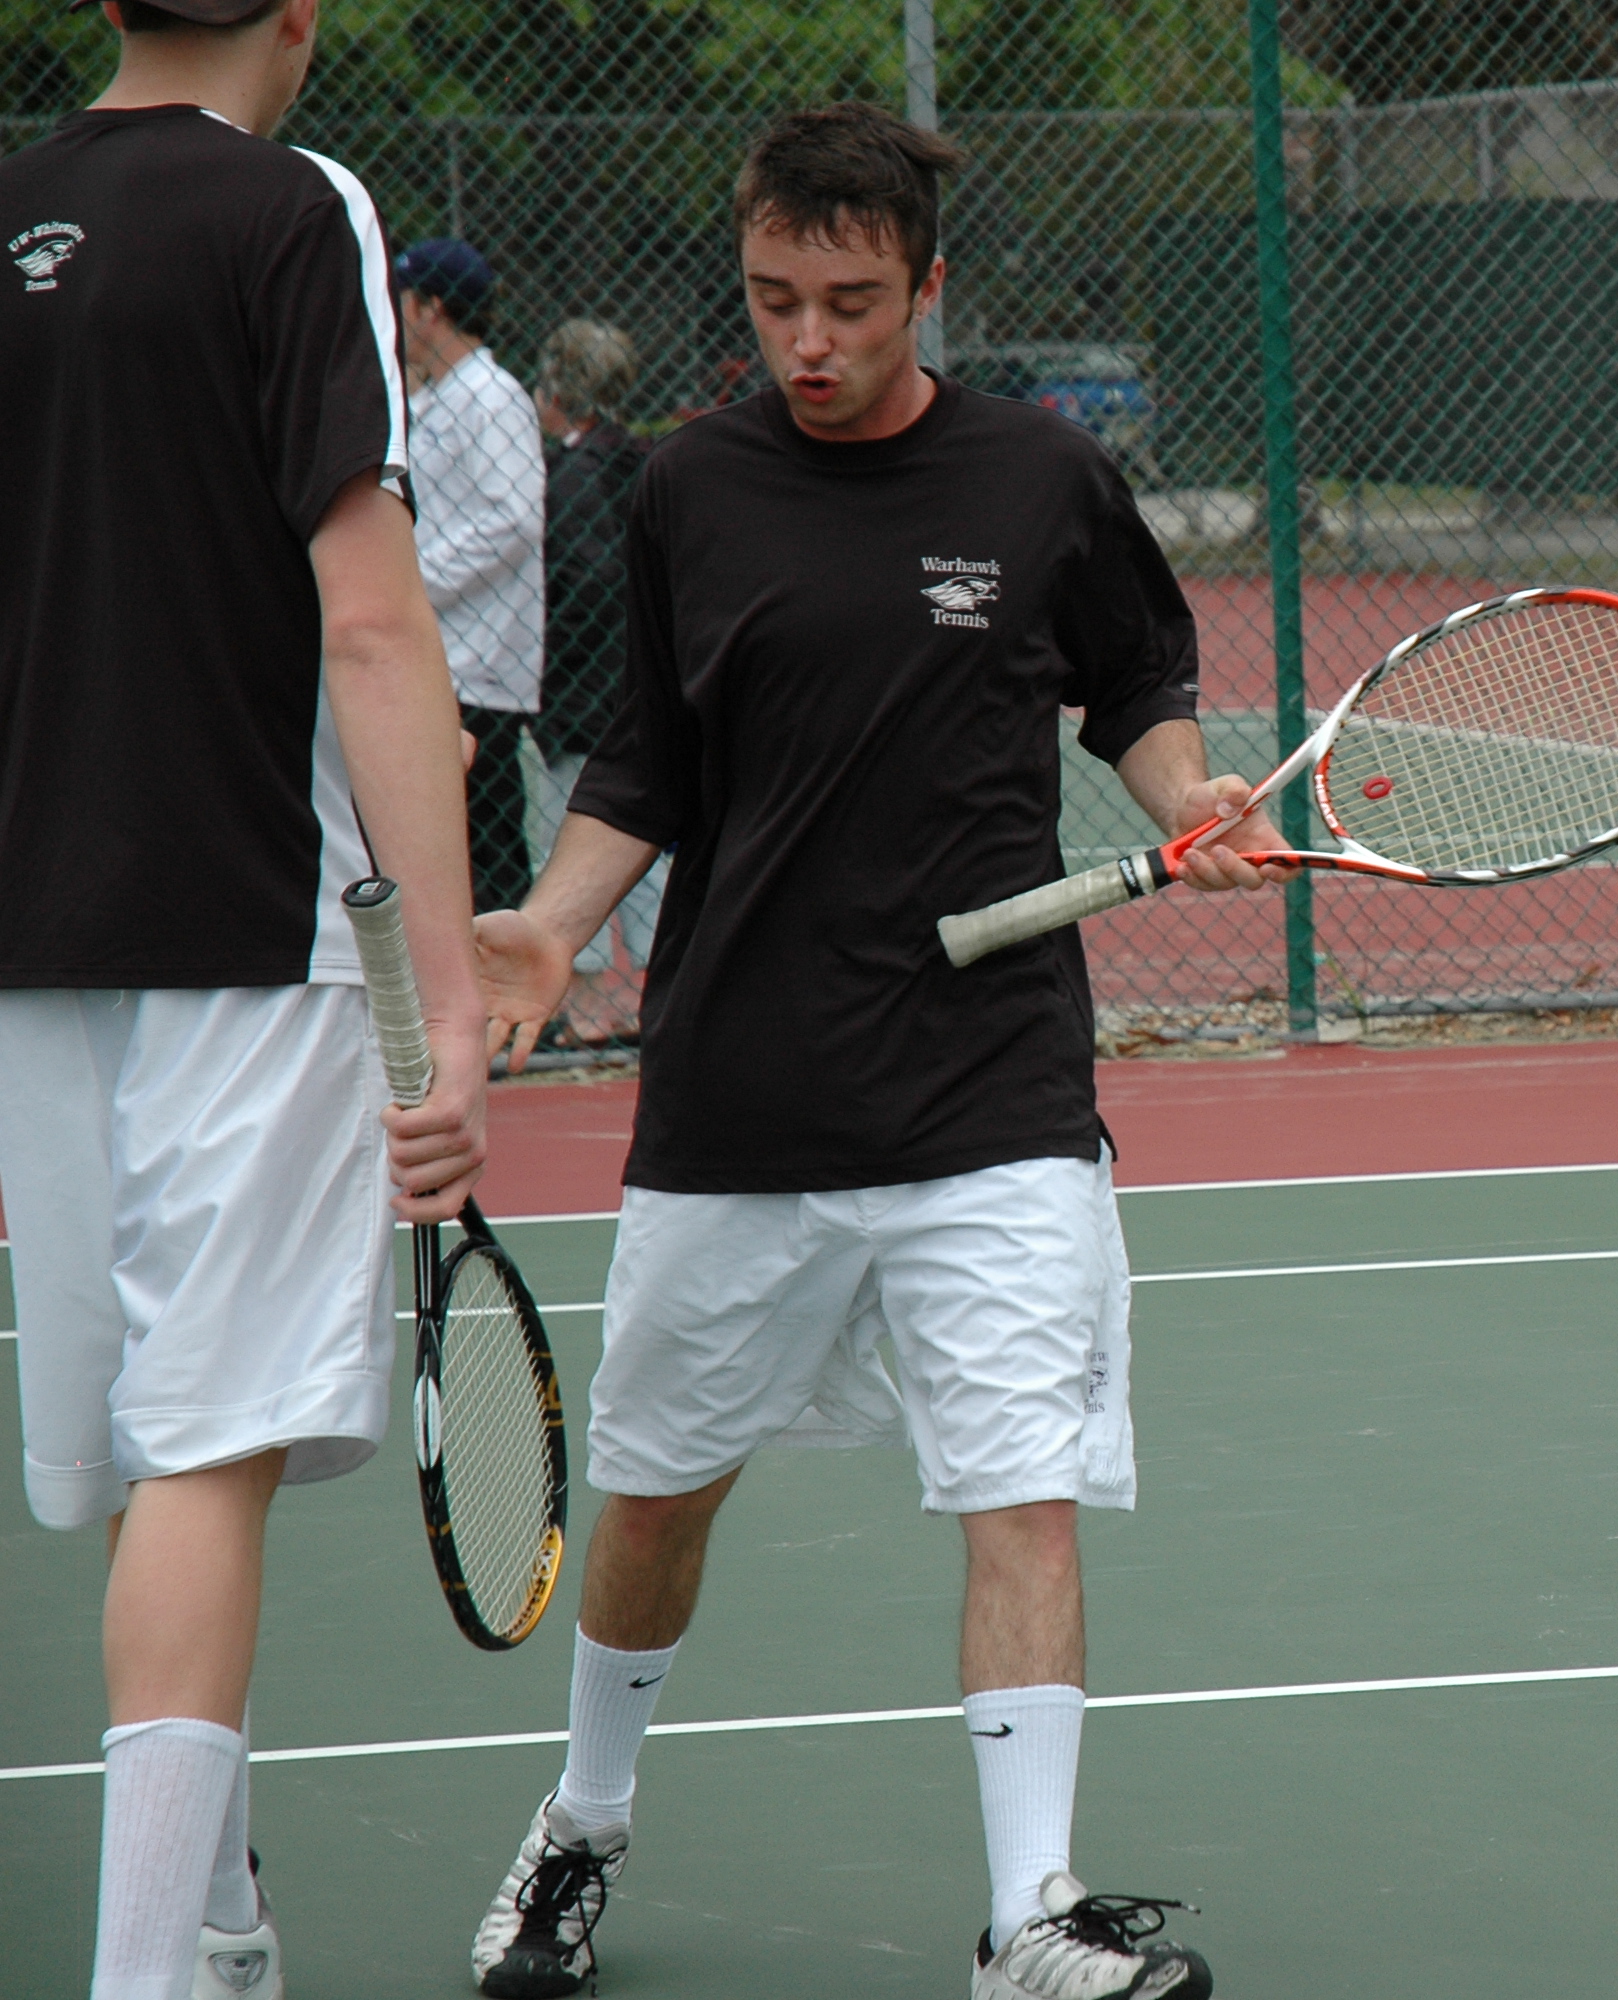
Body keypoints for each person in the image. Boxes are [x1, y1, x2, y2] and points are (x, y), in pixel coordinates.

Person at [468, 103, 1281, 2000]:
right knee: (657, 1500)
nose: (809, 340)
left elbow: (1134, 683)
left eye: (849, 302)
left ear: (928, 286)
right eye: (774, 301)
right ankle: (582, 1825)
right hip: (740, 1093)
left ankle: (1030, 1916)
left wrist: (1186, 791)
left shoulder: (1040, 478)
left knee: (1023, 1490)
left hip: (993, 1091)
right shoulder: (688, 489)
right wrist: (553, 924)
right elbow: (652, 759)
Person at [0, 3, 488, 1997]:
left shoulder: (9, 210)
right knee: (205, 1460)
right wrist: (452, 1005)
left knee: (143, 1463)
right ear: (296, 11)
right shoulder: (299, 209)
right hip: (252, 927)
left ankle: (211, 1925)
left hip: (36, 943)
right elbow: (371, 624)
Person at [397, 232, 548, 911]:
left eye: (404, 298)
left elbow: (514, 517)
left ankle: (506, 972)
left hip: (479, 660)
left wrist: (414, 582)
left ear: (430, 307)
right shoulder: (441, 397)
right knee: (449, 841)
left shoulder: (490, 396)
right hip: (446, 653)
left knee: (486, 845)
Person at [529, 317, 661, 1034]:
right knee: (639, 838)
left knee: (565, 837)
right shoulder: (637, 459)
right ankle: (650, 986)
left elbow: (588, 582)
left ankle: (583, 1005)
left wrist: (551, 666)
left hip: (583, 690)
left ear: (561, 390)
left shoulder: (576, 474)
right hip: (633, 682)